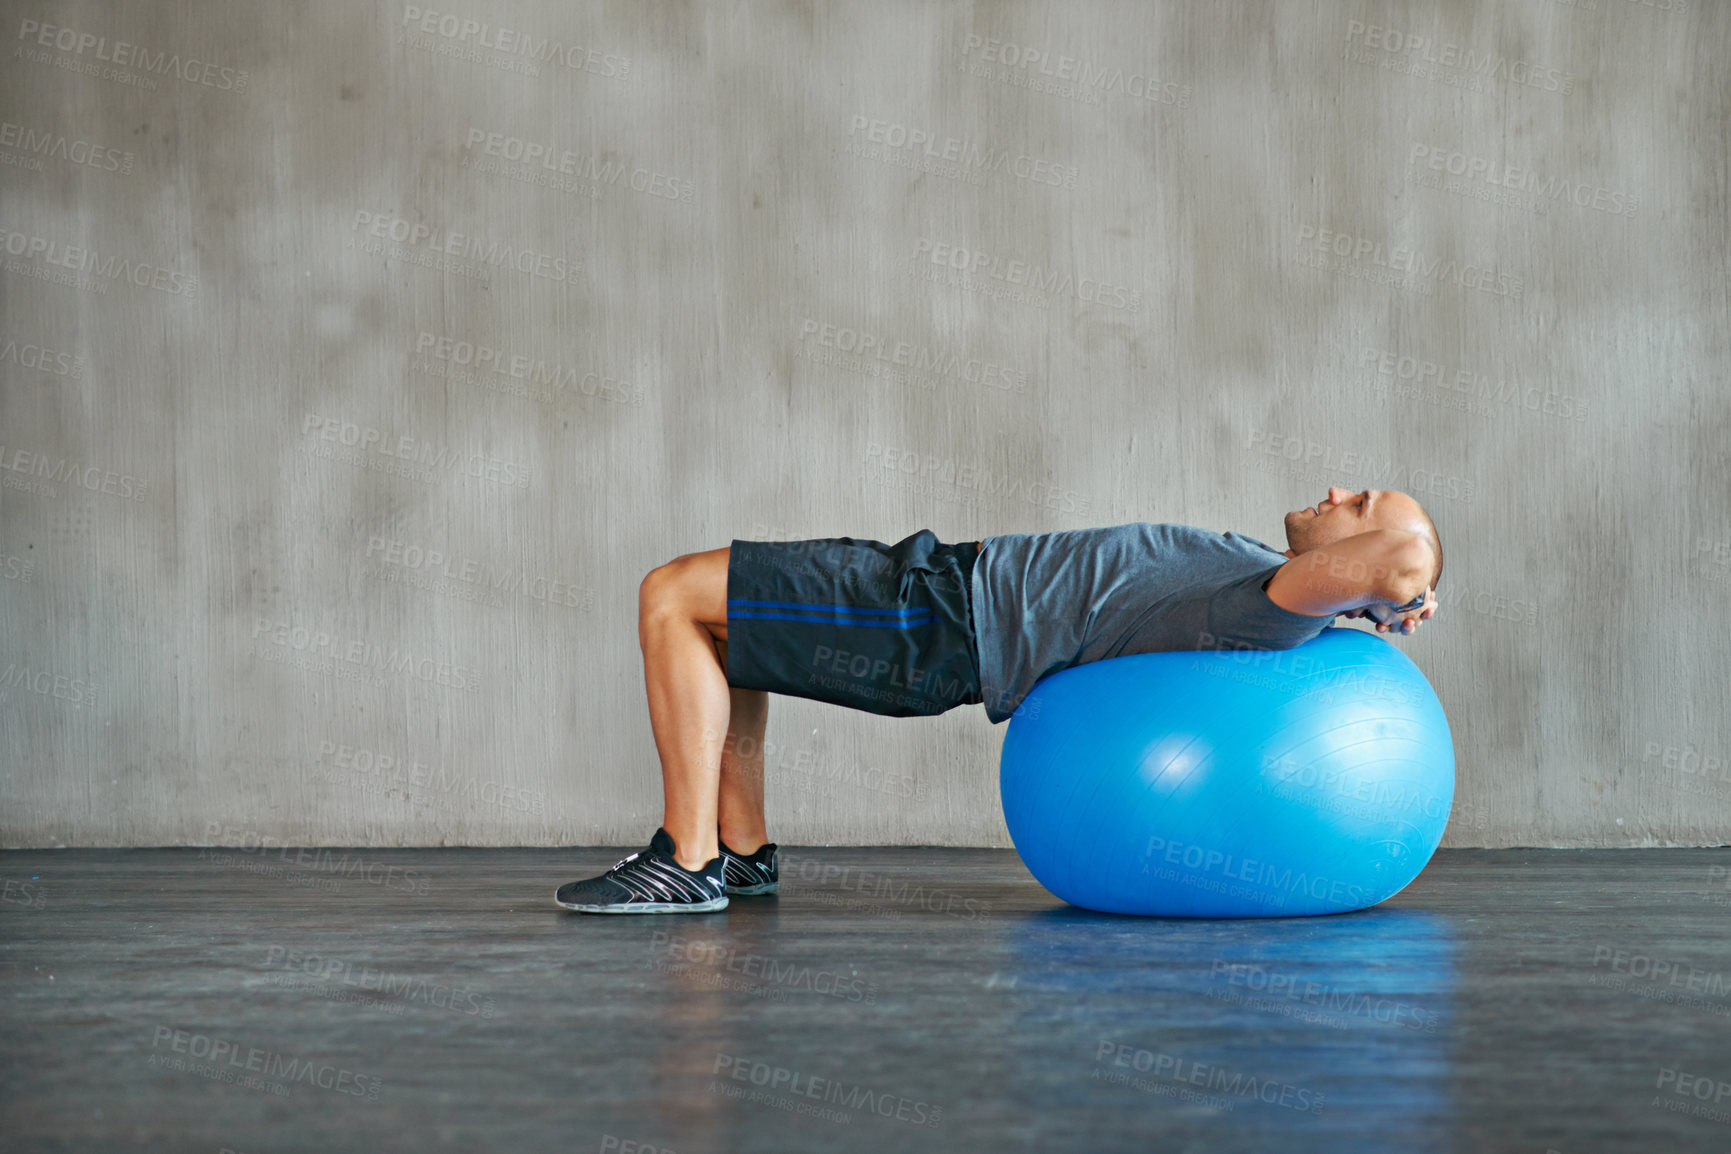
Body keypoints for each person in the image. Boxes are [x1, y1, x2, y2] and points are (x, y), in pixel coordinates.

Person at [554, 486, 1442, 914]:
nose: (1335, 493)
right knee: (722, 628)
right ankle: (738, 852)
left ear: (1360, 554)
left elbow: (1397, 562)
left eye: (1358, 501)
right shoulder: (1259, 570)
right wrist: (1388, 581)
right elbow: (1384, 563)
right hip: (942, 583)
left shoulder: (1270, 609)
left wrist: (1404, 584)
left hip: (938, 620)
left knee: (670, 593)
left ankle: (687, 857)